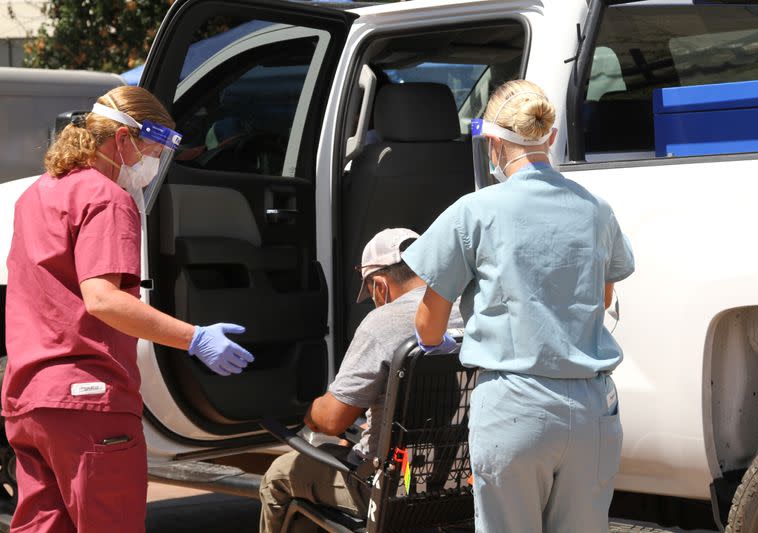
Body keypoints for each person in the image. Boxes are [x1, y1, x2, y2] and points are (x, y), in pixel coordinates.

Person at [3, 86, 254, 533]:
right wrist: (194, 337)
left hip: (29, 402)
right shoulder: (107, 199)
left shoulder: (37, 195)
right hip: (89, 401)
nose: (152, 164)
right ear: (123, 139)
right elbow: (102, 299)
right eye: (153, 150)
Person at [402, 80, 635, 533]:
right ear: (548, 137)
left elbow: (428, 327)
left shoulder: (474, 211)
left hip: (514, 408)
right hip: (592, 409)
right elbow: (603, 296)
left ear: (492, 142)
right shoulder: (596, 210)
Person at [260, 228, 463, 533]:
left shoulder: (382, 322)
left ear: (380, 285)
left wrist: (310, 412)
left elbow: (331, 420)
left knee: (279, 475)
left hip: (391, 486)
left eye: (371, 294)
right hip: (460, 478)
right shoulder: (467, 307)